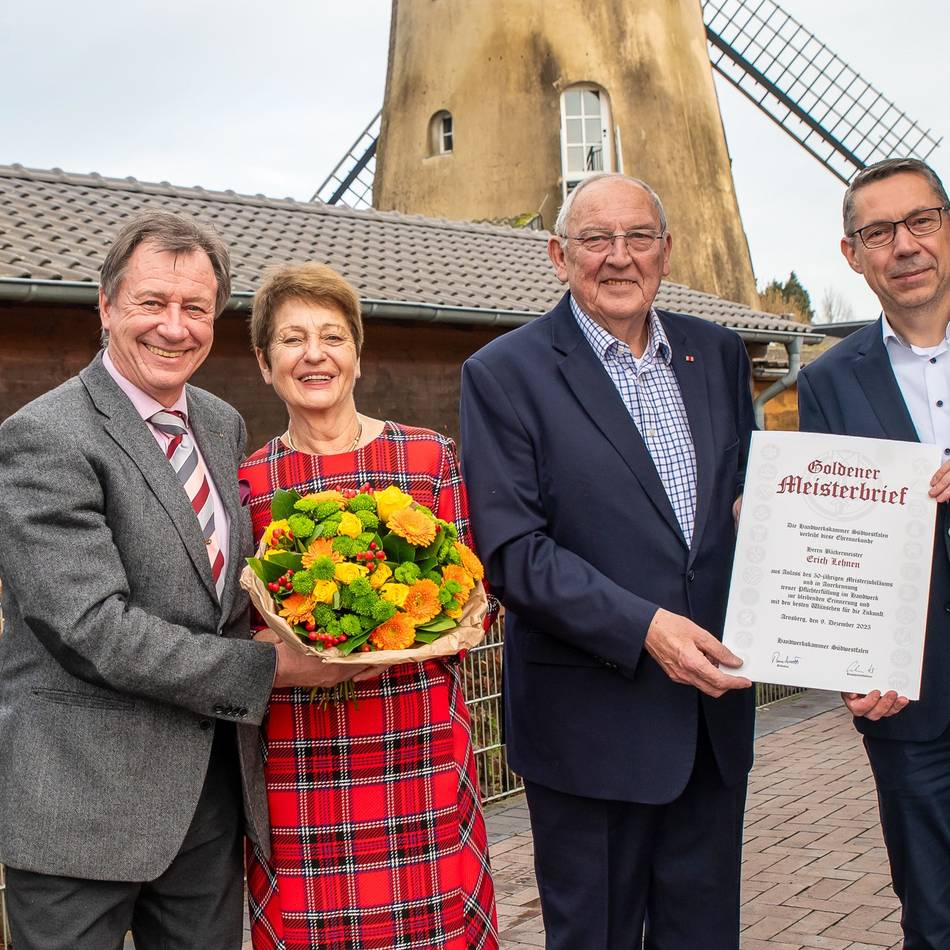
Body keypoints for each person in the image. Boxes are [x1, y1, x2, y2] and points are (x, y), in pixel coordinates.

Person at [0, 212, 349, 950]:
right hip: (82, 806)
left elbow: (227, 590)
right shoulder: (46, 436)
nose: (174, 327)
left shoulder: (219, 423)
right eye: (152, 303)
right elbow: (90, 627)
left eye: (195, 308)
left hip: (208, 799)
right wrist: (271, 670)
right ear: (105, 306)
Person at [459, 172, 756, 949]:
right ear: (560, 255)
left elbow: (746, 498)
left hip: (710, 724)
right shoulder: (504, 374)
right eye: (595, 240)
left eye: (637, 238)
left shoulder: (718, 354)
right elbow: (513, 554)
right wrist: (646, 627)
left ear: (666, 251)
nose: (618, 258)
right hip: (590, 729)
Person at [239, 261, 498, 950]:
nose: (314, 354)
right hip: (301, 765)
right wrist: (294, 654)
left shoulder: (428, 459)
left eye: (332, 336)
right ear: (265, 364)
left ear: (358, 354)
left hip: (416, 750)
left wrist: (425, 625)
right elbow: (235, 633)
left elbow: (476, 600)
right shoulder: (251, 486)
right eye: (292, 340)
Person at [798, 156, 950, 948]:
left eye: (920, 221)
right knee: (933, 911)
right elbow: (831, 538)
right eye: (879, 232)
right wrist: (852, 661)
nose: (905, 245)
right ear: (854, 254)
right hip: (913, 697)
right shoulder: (830, 380)